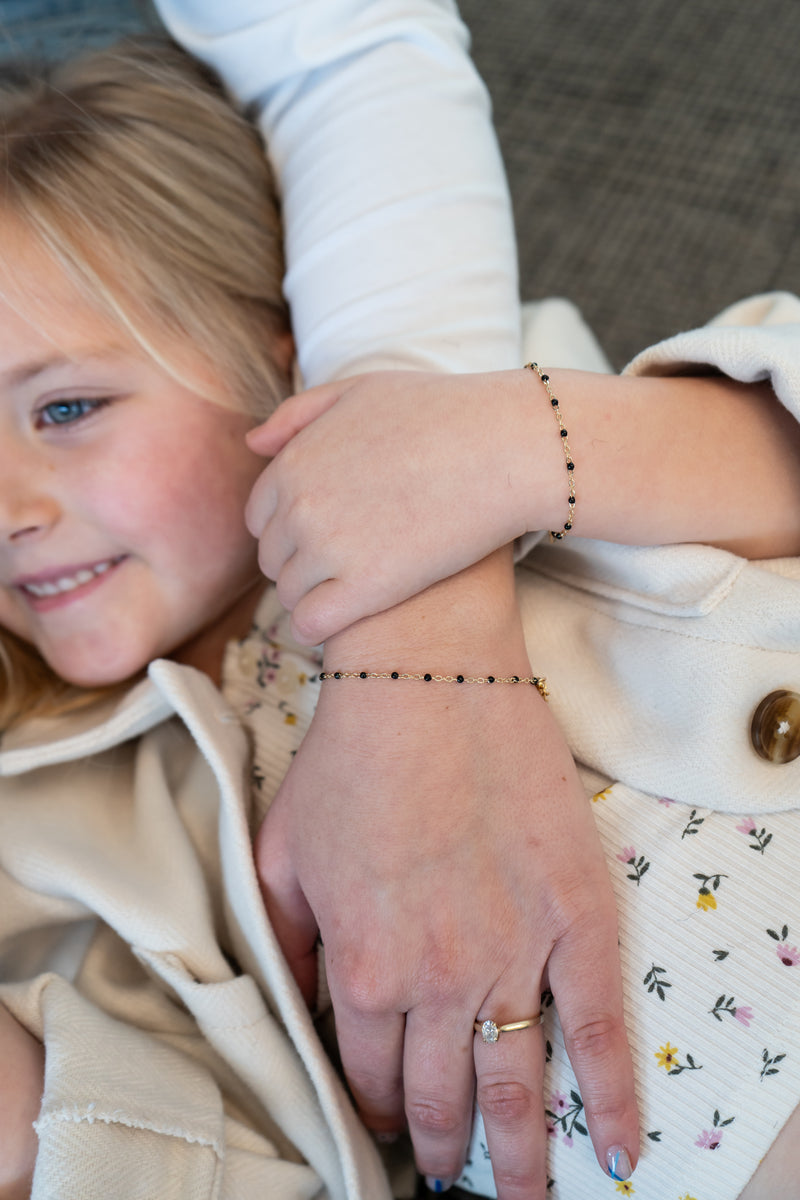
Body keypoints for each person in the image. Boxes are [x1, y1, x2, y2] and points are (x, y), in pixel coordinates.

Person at [238, 287, 800, 1200]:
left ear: (265, 353)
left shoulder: (474, 383)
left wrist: (516, 448)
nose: (12, 504)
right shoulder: (95, 814)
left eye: (66, 408)